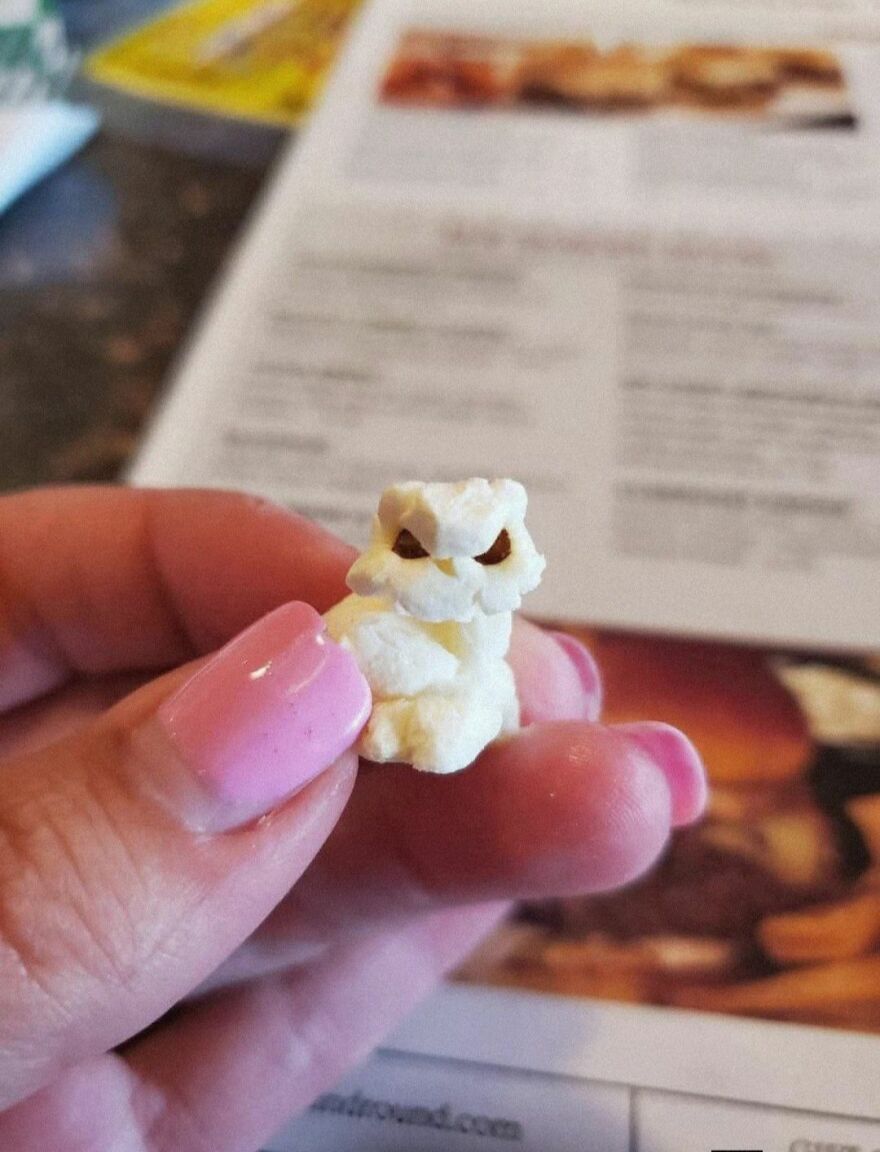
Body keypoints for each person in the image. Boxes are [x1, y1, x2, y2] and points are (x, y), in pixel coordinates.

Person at [0, 486, 706, 1151]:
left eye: (486, 552)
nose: (453, 570)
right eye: (419, 548)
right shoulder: (365, 629)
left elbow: (481, 691)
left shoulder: (481, 645)